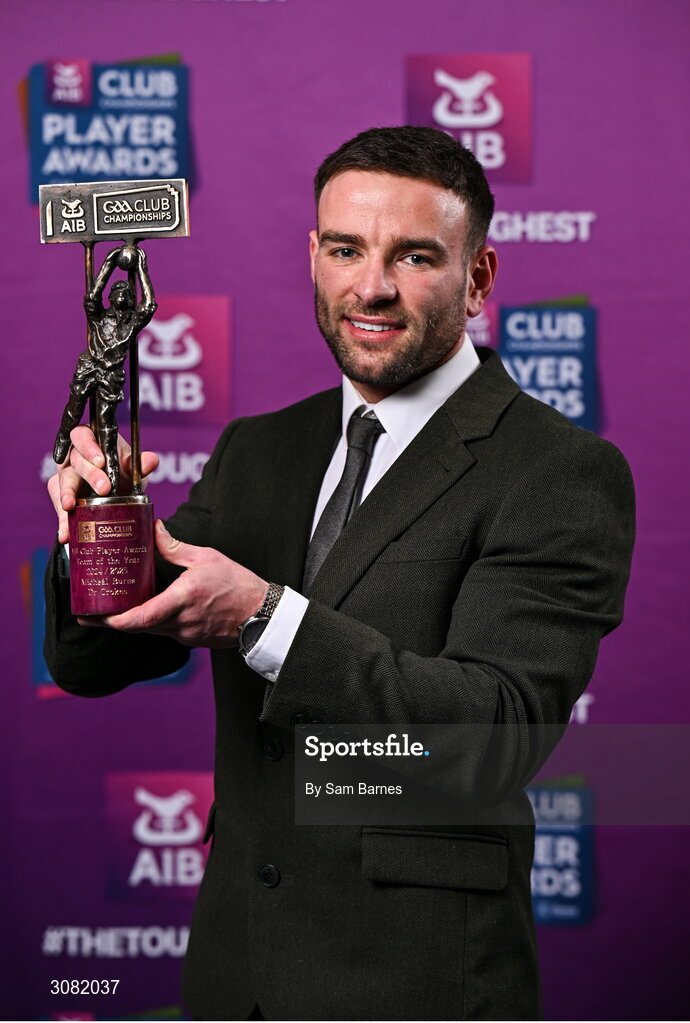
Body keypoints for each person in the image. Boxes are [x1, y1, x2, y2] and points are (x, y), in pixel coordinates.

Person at [45, 126, 635, 1021]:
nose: (372, 287)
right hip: (235, 977)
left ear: (477, 278)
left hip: (418, 983)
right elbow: (92, 664)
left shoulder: (558, 470)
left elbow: (492, 739)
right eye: (347, 249)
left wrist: (263, 617)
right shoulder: (258, 448)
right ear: (314, 256)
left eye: (416, 256)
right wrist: (98, 533)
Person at [53, 244, 156, 493]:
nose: (124, 294)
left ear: (132, 302)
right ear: (110, 297)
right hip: (89, 367)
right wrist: (110, 260)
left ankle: (111, 467)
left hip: (111, 375)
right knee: (75, 407)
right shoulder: (98, 316)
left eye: (129, 293)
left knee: (107, 425)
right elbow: (92, 295)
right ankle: (64, 435)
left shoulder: (132, 322)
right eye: (118, 290)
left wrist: (141, 266)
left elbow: (149, 305)